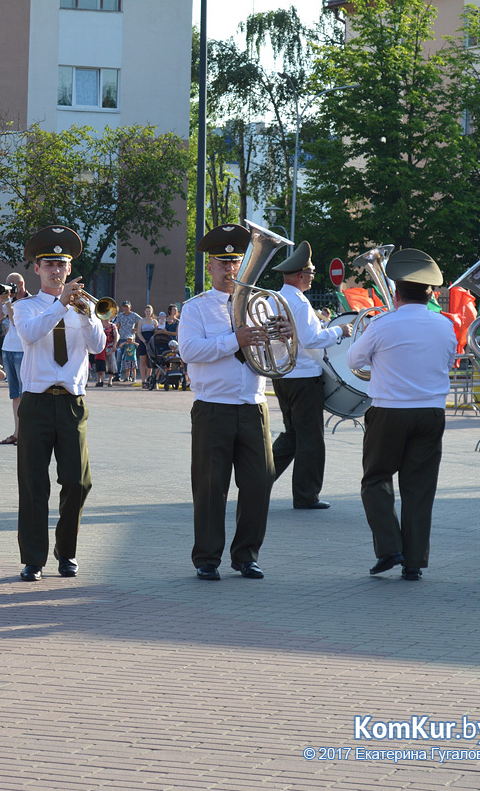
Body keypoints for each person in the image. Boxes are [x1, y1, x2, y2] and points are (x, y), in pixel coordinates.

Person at [178, 224, 280, 581]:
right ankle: (207, 558)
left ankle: (246, 555)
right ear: (209, 266)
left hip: (253, 405)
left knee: (259, 482)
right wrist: (233, 339)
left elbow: (278, 356)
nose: (231, 269)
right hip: (213, 406)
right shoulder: (196, 309)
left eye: (236, 261)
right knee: (210, 485)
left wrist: (280, 338)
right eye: (222, 263)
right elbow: (190, 351)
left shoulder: (260, 305)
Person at [347, 249, 456, 581]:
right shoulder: (445, 325)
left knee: (376, 479)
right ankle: (414, 563)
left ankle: (390, 546)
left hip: (389, 411)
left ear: (395, 292)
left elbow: (353, 361)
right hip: (431, 413)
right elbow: (448, 361)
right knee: (419, 489)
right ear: (432, 293)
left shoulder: (382, 324)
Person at [12, 226, 106, 581]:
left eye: (62, 265)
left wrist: (83, 312)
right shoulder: (25, 307)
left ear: (69, 269)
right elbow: (30, 335)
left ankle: (66, 552)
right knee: (34, 483)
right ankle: (33, 559)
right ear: (36, 269)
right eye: (49, 264)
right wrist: (60, 303)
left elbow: (97, 346)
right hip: (36, 403)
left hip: (72, 403)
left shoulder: (86, 305)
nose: (56, 270)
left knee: (78, 482)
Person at [270, 242, 352, 510]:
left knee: (293, 436)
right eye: (311, 271)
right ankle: (306, 495)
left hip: (283, 376)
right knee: (311, 440)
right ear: (299, 274)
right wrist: (340, 331)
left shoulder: (275, 298)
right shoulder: (299, 302)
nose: (313, 275)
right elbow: (311, 339)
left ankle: (257, 478)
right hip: (304, 377)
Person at [0, 272, 29, 445]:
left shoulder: (29, 301)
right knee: (15, 395)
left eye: (13, 285)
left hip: (22, 351)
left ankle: (25, 432)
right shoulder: (9, 300)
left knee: (24, 394)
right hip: (8, 349)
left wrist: (8, 302)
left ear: (21, 284)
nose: (10, 288)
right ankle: (17, 433)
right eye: (8, 284)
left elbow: (15, 322)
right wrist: (2, 298)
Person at [135, 305, 158, 388]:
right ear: (144, 312)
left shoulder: (154, 322)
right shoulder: (141, 321)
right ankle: (143, 381)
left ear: (152, 312)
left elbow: (156, 332)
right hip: (143, 342)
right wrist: (144, 341)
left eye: (149, 311)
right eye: (146, 311)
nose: (148, 313)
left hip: (151, 343)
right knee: (143, 362)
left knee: (150, 363)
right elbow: (138, 333)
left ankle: (149, 380)